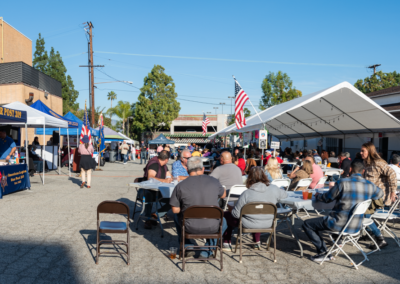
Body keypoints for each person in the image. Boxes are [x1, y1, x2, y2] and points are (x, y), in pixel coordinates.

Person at [302, 161, 384, 262]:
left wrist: (317, 195)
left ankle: (323, 252)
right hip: (356, 226)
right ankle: (332, 246)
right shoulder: (369, 185)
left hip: (338, 223)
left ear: (350, 169)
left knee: (307, 224)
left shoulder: (342, 182)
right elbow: (380, 194)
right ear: (363, 171)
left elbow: (327, 199)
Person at [170, 157, 227, 258]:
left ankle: (187, 246)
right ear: (203, 169)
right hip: (213, 226)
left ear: (187, 170)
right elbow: (223, 195)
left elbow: (175, 210)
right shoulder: (214, 182)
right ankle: (207, 250)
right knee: (224, 221)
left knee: (176, 216)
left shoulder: (180, 186)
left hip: (189, 227)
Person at [223, 166, 288, 250]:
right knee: (258, 213)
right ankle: (256, 242)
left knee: (226, 214)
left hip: (248, 224)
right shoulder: (274, 189)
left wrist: (231, 208)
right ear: (265, 175)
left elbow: (236, 214)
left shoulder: (246, 193)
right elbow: (285, 195)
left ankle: (227, 242)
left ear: (249, 178)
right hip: (269, 224)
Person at [142, 150, 172, 229]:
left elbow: (170, 176)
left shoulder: (164, 166)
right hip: (147, 190)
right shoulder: (154, 164)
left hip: (159, 191)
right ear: (167, 159)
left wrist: (170, 179)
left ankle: (155, 215)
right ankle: (148, 219)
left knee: (173, 199)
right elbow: (150, 178)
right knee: (148, 194)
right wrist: (165, 180)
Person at [361, 142, 397, 206]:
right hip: (370, 198)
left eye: (363, 151)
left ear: (369, 152)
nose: (361, 153)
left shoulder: (378, 163)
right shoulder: (365, 163)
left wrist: (393, 191)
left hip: (381, 200)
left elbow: (392, 173)